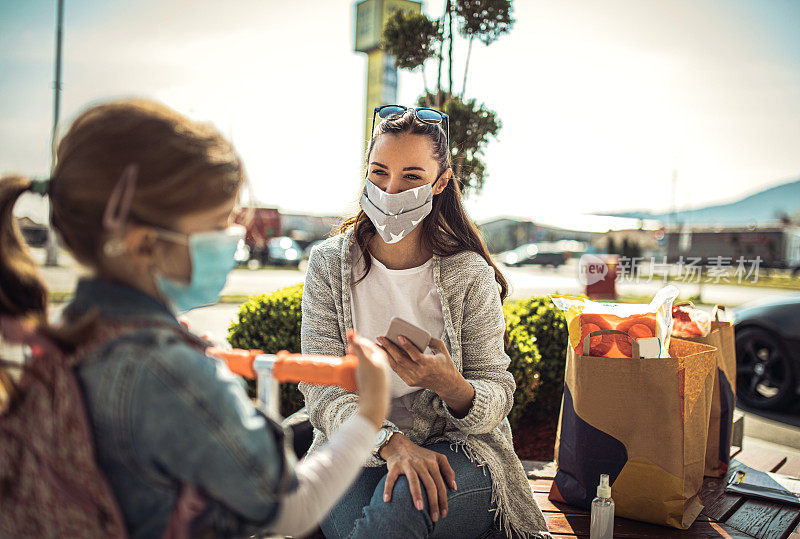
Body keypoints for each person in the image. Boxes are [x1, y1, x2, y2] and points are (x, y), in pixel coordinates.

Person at [0, 98, 391, 538]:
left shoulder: (74, 333)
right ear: (145, 244)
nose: (234, 237)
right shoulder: (171, 371)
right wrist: (369, 414)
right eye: (218, 225)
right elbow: (290, 508)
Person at [299, 105, 551, 538]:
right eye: (380, 172)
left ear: (441, 182)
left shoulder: (468, 273)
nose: (391, 189)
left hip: (459, 447)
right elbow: (320, 387)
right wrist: (391, 443)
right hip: (358, 447)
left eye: (412, 177)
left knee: (400, 509)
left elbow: (497, 390)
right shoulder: (328, 265)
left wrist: (450, 385)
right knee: (384, 518)